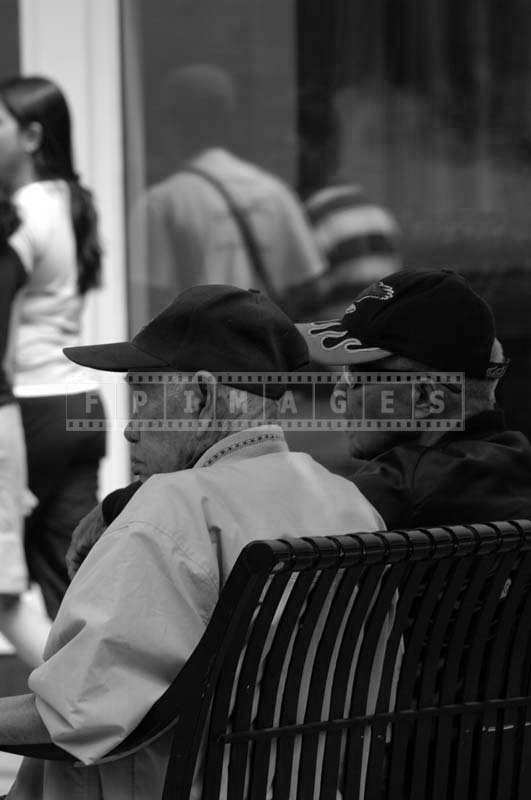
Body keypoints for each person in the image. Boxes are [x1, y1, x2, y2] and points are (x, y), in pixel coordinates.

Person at [0, 286, 385, 799]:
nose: (131, 429)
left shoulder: (174, 512)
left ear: (201, 397)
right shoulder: (350, 506)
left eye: (144, 396)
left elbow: (76, 712)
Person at [297, 268, 531, 527]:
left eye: (354, 375)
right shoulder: (518, 462)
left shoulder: (397, 491)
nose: (339, 393)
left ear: (423, 397)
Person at [0, 75, 107, 618]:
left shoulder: (20, 216)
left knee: (6, 586)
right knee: (72, 576)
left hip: (31, 408)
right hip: (81, 404)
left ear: (32, 138)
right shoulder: (72, 202)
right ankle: (100, 694)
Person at [130, 63, 325, 324]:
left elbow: (153, 302)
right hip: (266, 353)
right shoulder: (275, 193)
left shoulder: (162, 201)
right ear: (228, 119)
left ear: (172, 121)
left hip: (197, 355)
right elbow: (309, 287)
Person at [0, 194, 50, 668]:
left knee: (6, 603)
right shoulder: (12, 255)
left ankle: (83, 701)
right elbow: (8, 361)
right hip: (4, 421)